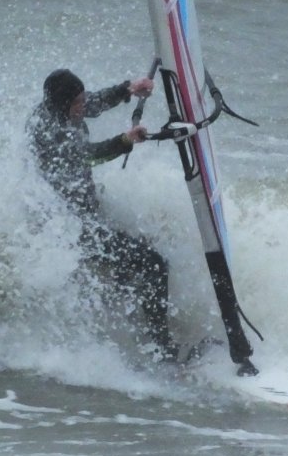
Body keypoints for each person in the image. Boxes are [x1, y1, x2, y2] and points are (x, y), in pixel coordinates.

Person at [27, 67, 177, 360]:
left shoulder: (63, 109)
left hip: (83, 219)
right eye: (77, 103)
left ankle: (132, 342)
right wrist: (125, 140)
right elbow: (90, 155)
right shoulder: (49, 130)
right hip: (69, 228)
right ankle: (163, 351)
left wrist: (128, 89)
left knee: (133, 263)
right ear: (62, 104)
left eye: (81, 101)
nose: (83, 107)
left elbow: (93, 102)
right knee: (154, 263)